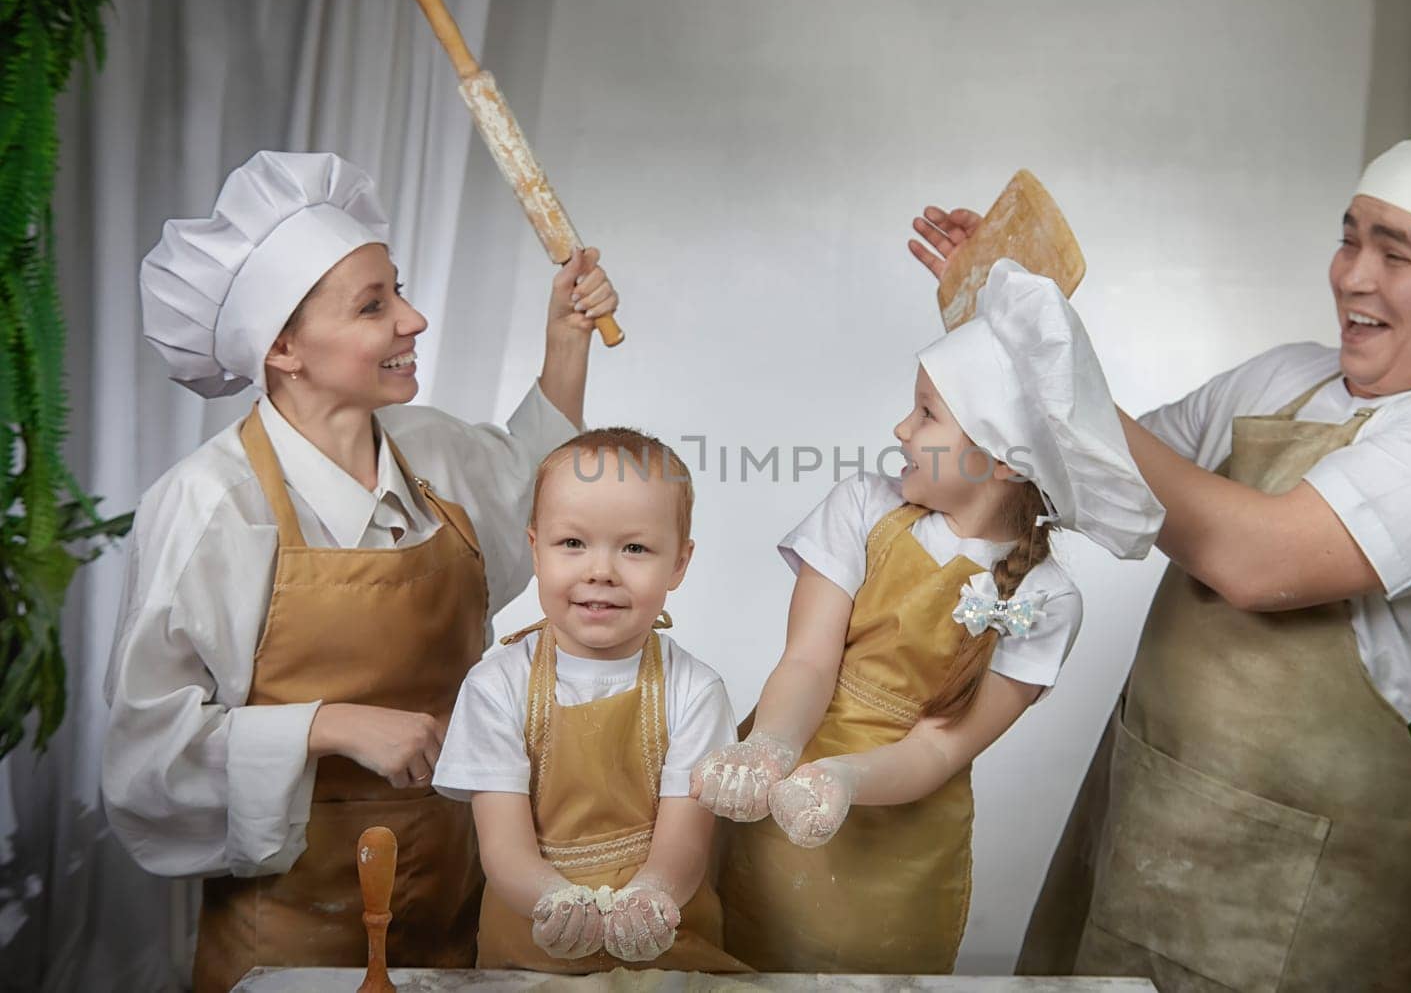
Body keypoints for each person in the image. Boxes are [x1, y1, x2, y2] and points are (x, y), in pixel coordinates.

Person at [912, 132, 1411, 992]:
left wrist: (1044, 354)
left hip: (1331, 899)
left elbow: (1257, 559)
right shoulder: (1285, 378)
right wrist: (998, 342)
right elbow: (1082, 477)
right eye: (1351, 237)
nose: (1353, 274)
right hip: (1145, 836)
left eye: (1399, 251)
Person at [100, 150, 617, 993]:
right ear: (284, 349)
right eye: (375, 305)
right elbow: (145, 760)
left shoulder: (433, 449)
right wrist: (327, 724)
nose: (413, 319)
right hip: (294, 940)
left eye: (400, 290)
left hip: (460, 903)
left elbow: (535, 488)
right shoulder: (209, 505)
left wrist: (565, 336)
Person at [693, 265, 1165, 973]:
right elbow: (809, 660)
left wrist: (843, 782)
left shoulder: (1047, 598)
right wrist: (773, 748)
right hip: (783, 793)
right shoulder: (863, 507)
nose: (900, 427)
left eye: (927, 414)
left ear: (1002, 459)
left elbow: (943, 747)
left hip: (903, 844)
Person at [432, 428, 748, 973]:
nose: (600, 570)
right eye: (572, 543)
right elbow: (504, 851)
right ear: (535, 549)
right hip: (529, 949)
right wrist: (553, 902)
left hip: (665, 943)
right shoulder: (494, 688)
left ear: (679, 563)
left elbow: (685, 848)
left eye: (635, 548)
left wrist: (652, 896)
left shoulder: (694, 690)